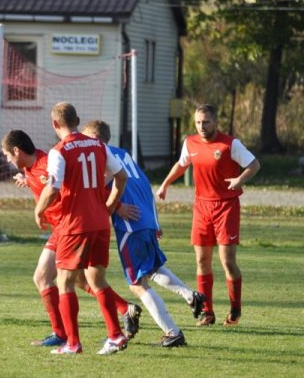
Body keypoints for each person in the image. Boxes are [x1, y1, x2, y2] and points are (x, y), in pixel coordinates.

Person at [1, 130, 142, 348]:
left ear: (17, 151)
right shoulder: (30, 168)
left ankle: (63, 335)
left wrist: (118, 206)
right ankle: (124, 308)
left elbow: (80, 186)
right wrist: (26, 180)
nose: (7, 160)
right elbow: (42, 180)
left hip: (68, 226)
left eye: (7, 155)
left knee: (44, 278)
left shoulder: (48, 161)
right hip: (64, 227)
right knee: (79, 279)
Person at [82, 120, 207, 347]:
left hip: (130, 226)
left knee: (137, 284)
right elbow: (145, 185)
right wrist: (155, 221)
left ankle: (172, 332)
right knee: (152, 269)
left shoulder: (99, 156)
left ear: (92, 138)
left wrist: (117, 207)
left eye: (85, 138)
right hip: (146, 220)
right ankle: (191, 295)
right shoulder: (124, 155)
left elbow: (97, 188)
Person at [34, 102, 128, 355]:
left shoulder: (59, 150)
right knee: (97, 279)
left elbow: (53, 188)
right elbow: (122, 177)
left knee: (64, 280)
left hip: (75, 224)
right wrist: (109, 205)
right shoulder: (98, 145)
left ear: (55, 124)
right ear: (77, 120)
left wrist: (38, 210)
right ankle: (116, 335)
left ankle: (73, 343)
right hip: (100, 222)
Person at [157, 104, 260, 327]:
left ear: (215, 122)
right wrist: (165, 184)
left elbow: (254, 164)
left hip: (226, 207)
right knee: (202, 260)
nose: (202, 126)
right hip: (201, 208)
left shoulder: (230, 144)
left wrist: (239, 180)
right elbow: (181, 164)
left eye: (206, 122)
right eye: (198, 122)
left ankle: (235, 309)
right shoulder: (190, 143)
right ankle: (207, 312)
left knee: (227, 261)